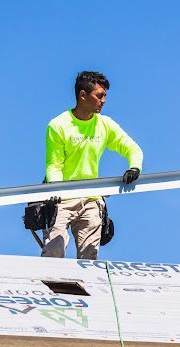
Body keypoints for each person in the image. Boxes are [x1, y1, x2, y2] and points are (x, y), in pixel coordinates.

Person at [41, 71, 144, 260]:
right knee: (54, 252)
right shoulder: (58, 125)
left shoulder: (105, 125)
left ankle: (85, 287)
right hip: (62, 198)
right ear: (82, 95)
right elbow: (54, 165)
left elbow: (132, 148)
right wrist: (56, 191)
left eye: (105, 96)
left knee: (89, 256)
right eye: (99, 95)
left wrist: (134, 167)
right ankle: (51, 288)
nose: (103, 101)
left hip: (90, 198)